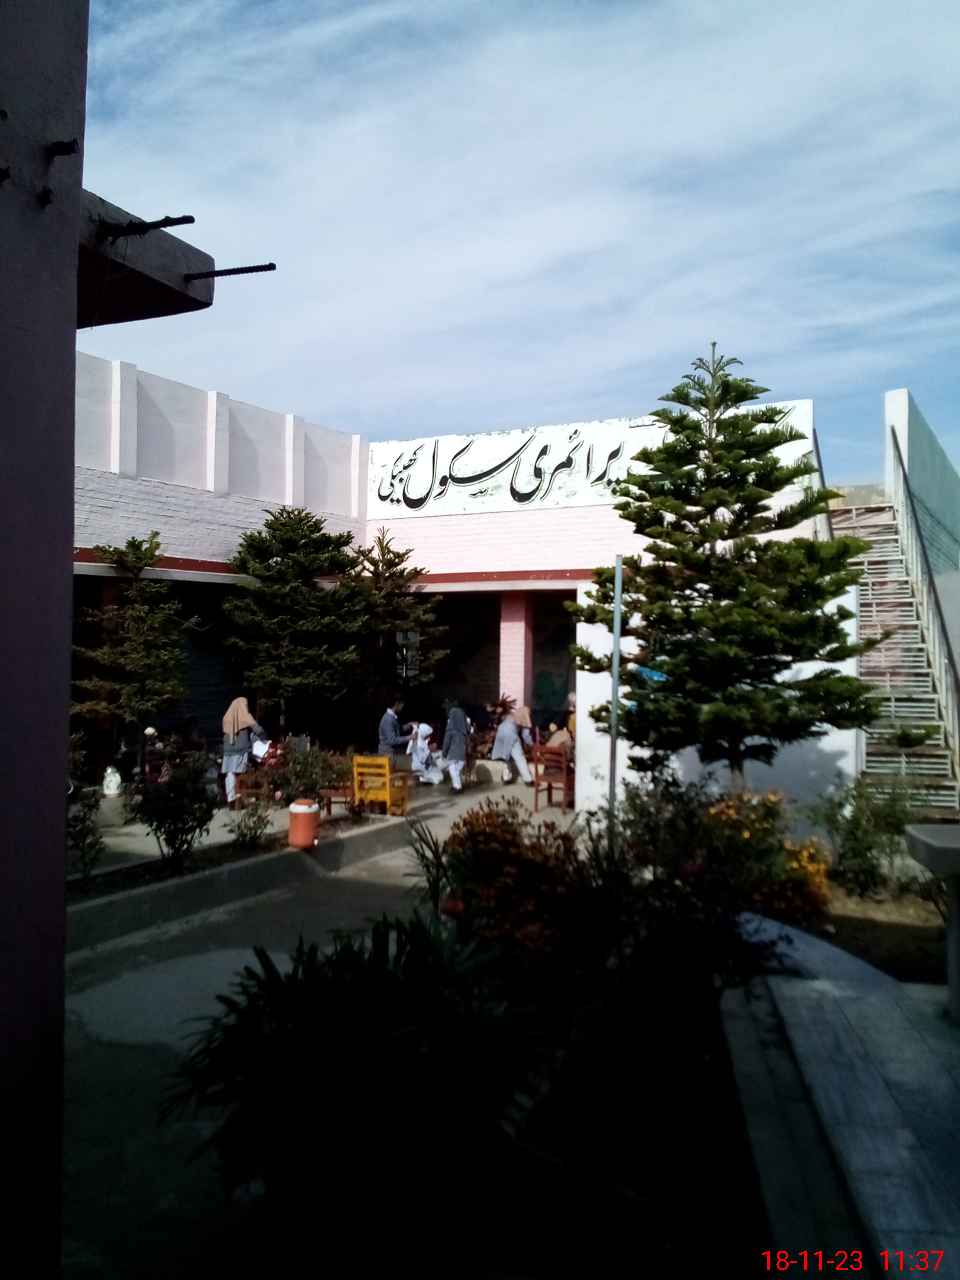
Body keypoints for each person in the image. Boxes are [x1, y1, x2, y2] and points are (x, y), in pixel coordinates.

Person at [221, 696, 265, 807]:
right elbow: (257, 729)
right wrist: (263, 734)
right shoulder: (245, 715)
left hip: (228, 750)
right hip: (241, 750)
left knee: (230, 773)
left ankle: (231, 798)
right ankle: (241, 797)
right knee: (242, 774)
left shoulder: (226, 717)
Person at [491, 707, 533, 786]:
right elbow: (526, 735)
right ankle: (528, 780)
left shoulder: (512, 715)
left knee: (506, 756)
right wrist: (532, 744)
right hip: (511, 734)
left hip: (500, 731)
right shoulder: (525, 718)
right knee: (519, 757)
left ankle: (506, 778)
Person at [441, 697, 469, 793]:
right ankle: (456, 786)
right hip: (462, 755)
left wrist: (444, 753)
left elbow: (446, 743)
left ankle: (457, 787)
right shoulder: (464, 731)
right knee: (456, 771)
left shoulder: (450, 730)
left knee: (453, 770)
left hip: (453, 754)